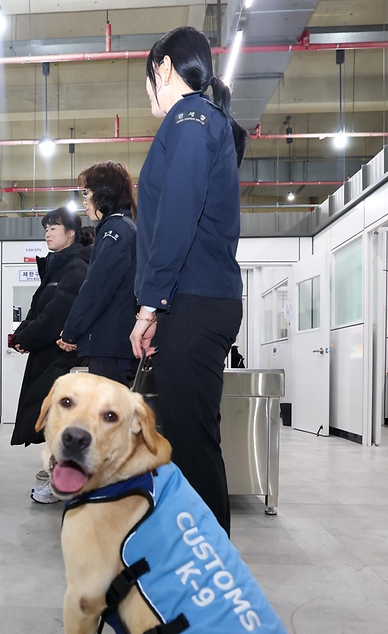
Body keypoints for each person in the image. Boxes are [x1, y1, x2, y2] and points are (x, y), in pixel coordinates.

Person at [130, 26, 249, 537]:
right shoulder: (200, 121)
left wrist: (148, 305)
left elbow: (177, 216)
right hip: (195, 299)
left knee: (192, 442)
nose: (145, 91)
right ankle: (199, 556)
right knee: (186, 434)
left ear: (164, 68)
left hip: (194, 300)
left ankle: (209, 570)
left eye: (146, 78)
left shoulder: (190, 119)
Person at [9, 207, 90, 504]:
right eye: (46, 228)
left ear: (71, 233)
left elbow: (57, 315)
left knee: (59, 423)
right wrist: (21, 336)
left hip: (62, 360)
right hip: (49, 356)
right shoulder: (57, 266)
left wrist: (26, 339)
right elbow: (38, 310)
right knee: (54, 421)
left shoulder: (76, 267)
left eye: (53, 227)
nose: (47, 233)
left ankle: (62, 484)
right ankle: (58, 474)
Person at [57, 161, 138, 386]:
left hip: (111, 345)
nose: (84, 201)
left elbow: (97, 288)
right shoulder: (121, 228)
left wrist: (71, 332)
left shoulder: (115, 231)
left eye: (87, 192)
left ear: (104, 193)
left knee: (108, 415)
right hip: (113, 343)